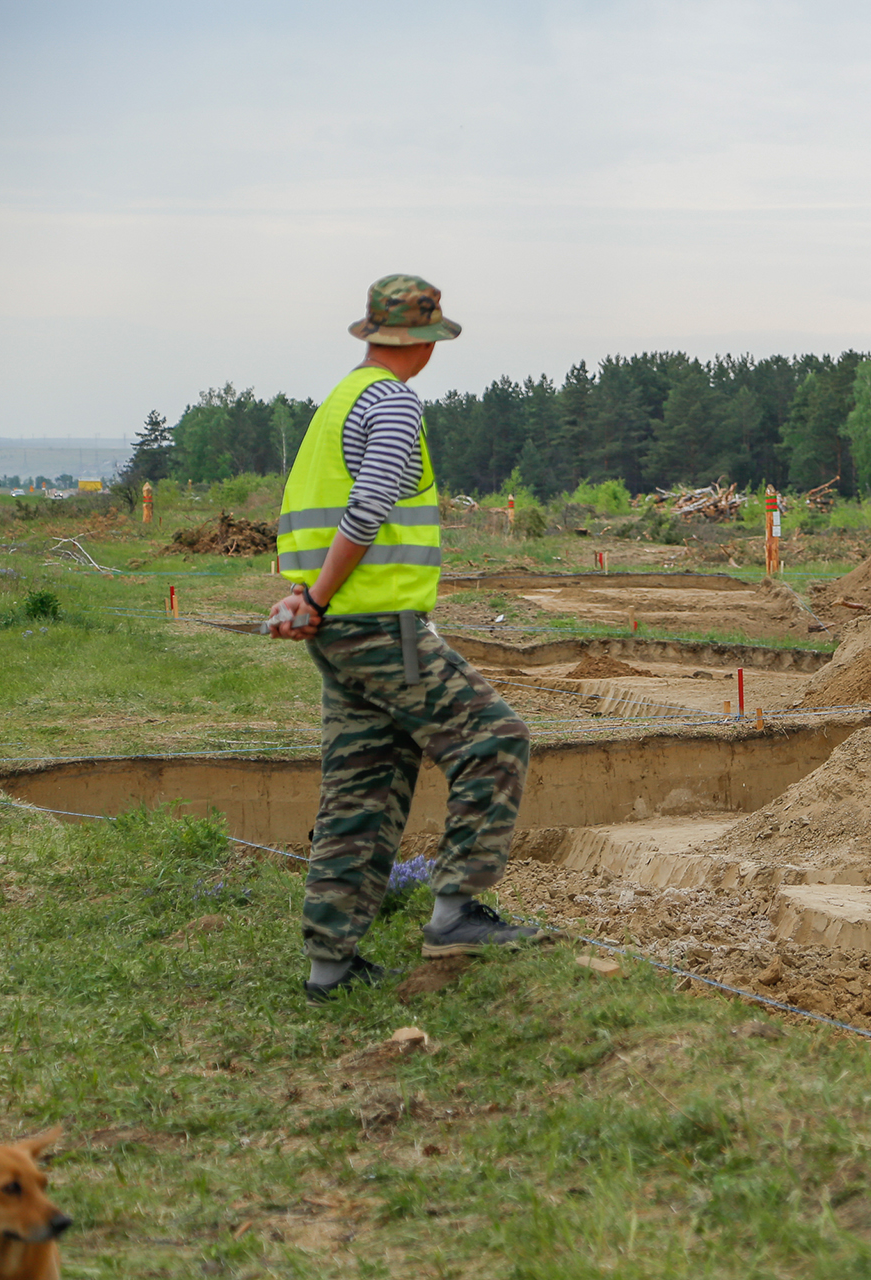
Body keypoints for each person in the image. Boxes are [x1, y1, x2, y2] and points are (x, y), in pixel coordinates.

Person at [268, 274, 542, 1005]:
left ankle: (331, 966)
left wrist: (306, 598)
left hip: (339, 629)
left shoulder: (338, 402)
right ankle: (456, 912)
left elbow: (313, 517)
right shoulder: (393, 402)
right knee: (496, 739)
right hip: (381, 628)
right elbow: (367, 506)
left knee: (363, 787)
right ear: (421, 341)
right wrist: (319, 595)